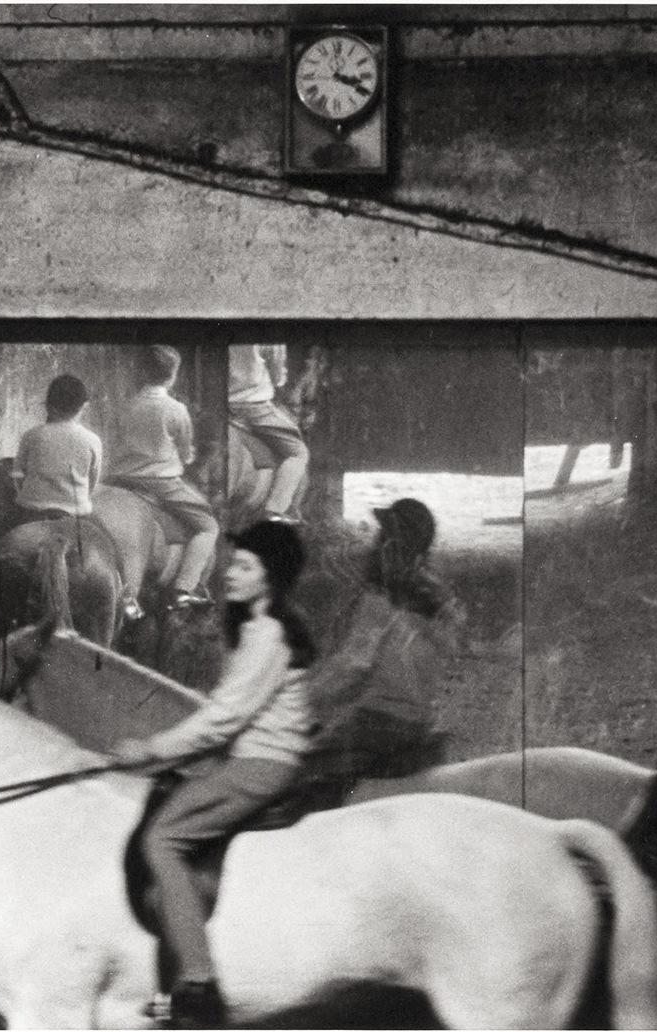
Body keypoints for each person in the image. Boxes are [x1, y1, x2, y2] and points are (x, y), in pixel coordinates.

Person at [110, 520, 317, 1028]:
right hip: (251, 757)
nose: (230, 573)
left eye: (245, 566)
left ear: (270, 577)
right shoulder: (258, 629)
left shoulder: (268, 634)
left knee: (161, 840)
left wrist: (151, 749)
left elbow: (224, 718)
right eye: (233, 563)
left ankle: (198, 981)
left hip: (261, 767)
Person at [304, 498, 461, 792]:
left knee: (298, 771)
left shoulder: (381, 598)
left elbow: (354, 665)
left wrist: (303, 699)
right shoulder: (440, 600)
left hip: (378, 724)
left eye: (381, 537)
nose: (374, 545)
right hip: (420, 725)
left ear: (389, 545)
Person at [107, 345, 221, 617]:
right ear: (173, 375)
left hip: (119, 479)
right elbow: (186, 453)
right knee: (208, 526)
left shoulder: (126, 404)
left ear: (143, 373)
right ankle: (184, 589)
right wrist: (187, 456)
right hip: (160, 483)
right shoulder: (175, 409)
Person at [7, 373, 103, 534]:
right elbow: (92, 481)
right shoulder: (92, 440)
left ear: (47, 406)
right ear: (83, 407)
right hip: (75, 514)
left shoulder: (31, 435)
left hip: (32, 512)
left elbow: (17, 477)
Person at [228, 344, 308, 524]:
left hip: (222, 405)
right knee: (298, 453)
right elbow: (278, 378)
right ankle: (275, 510)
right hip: (253, 407)